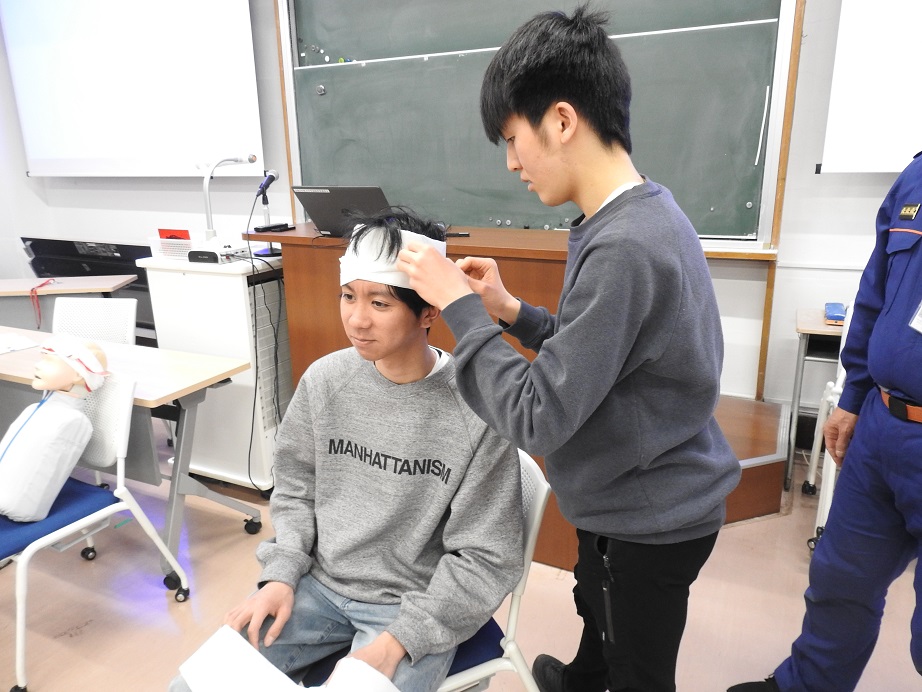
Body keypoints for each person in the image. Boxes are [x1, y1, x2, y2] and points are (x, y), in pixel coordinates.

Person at [395, 6, 739, 692]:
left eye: (512, 139)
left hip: (648, 516)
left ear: (559, 120)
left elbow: (539, 413)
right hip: (624, 491)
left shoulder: (626, 246)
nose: (512, 162)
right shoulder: (630, 215)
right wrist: (511, 313)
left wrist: (460, 309)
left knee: (637, 666)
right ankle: (585, 677)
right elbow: (598, 357)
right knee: (596, 610)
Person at [170, 207, 524, 692]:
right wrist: (281, 575)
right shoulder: (325, 380)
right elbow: (295, 487)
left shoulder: (478, 408)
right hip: (318, 583)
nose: (357, 320)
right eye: (348, 295)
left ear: (429, 311)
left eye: (380, 303)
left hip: (410, 605)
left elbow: (485, 556)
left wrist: (404, 639)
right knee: (192, 687)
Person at [729, 153, 922, 691]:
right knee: (840, 578)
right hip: (883, 424)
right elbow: (876, 293)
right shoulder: (916, 176)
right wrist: (854, 394)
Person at [0, 336, 108, 522]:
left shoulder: (72, 421)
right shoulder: (36, 410)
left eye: (49, 361)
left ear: (79, 375)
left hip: (20, 509)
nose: (37, 366)